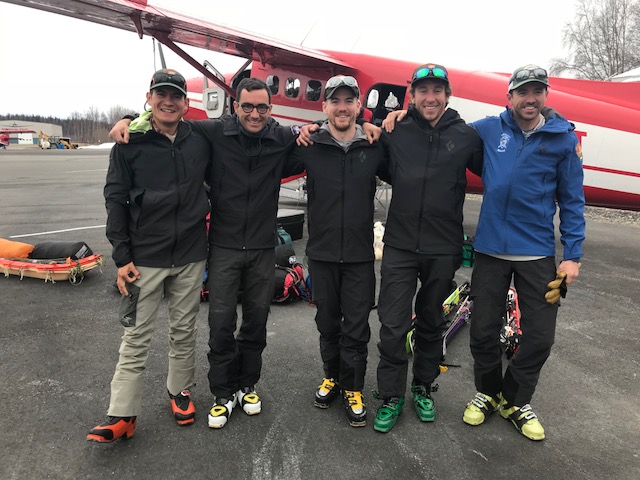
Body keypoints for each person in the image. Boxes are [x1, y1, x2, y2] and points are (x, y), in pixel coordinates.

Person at [110, 77, 379, 430]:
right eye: (248, 106)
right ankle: (223, 393)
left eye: (262, 108)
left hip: (263, 248)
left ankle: (247, 385)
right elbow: (169, 119)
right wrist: (130, 118)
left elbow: (315, 131)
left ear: (271, 110)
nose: (255, 114)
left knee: (256, 323)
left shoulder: (282, 136)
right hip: (222, 247)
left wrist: (371, 125)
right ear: (235, 106)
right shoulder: (213, 132)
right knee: (220, 325)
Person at [462, 65, 585, 441]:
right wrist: (399, 117)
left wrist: (572, 255)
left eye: (538, 92)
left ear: (544, 96)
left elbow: (572, 199)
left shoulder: (563, 139)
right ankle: (487, 392)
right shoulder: (489, 128)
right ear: (509, 96)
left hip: (536, 253)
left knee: (540, 336)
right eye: (523, 92)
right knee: (482, 332)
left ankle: (515, 399)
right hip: (490, 251)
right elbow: (445, 132)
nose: (530, 99)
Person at [88, 69, 211, 442]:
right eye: (162, 94)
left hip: (190, 254)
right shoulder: (129, 142)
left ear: (187, 104)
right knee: (137, 335)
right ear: (149, 97)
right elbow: (116, 199)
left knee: (184, 329)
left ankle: (179, 391)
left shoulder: (201, 138)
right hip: (145, 259)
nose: (168, 101)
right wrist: (122, 257)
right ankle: (122, 414)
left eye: (176, 95)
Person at [374, 64, 483, 433]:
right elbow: (369, 147)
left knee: (432, 322)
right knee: (392, 323)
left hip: (443, 246)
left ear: (448, 95)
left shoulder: (466, 135)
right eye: (423, 91)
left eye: (437, 90)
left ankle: (422, 387)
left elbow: (503, 166)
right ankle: (390, 394)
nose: (430, 97)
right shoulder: (396, 130)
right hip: (401, 245)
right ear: (413, 96)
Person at [289, 75, 389, 427]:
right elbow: (267, 147)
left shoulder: (374, 146)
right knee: (327, 323)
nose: (342, 107)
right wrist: (297, 132)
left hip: (361, 256)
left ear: (358, 105)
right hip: (322, 254)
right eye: (336, 100)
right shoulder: (310, 144)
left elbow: (410, 160)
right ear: (324, 106)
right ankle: (332, 375)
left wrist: (395, 119)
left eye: (349, 100)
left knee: (357, 327)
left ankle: (353, 387)